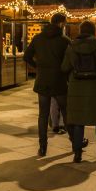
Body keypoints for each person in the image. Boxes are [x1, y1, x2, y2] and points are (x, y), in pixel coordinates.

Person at [24, 13, 78, 157]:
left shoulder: (38, 38)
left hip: (42, 81)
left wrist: (38, 67)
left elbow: (26, 56)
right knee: (66, 112)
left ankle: (43, 148)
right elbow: (71, 61)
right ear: (61, 24)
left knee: (43, 115)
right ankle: (74, 142)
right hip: (59, 80)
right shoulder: (65, 40)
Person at [61, 21, 96, 163]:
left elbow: (64, 67)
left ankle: (77, 154)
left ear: (80, 31)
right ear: (93, 31)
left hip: (77, 87)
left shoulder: (71, 48)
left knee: (78, 121)